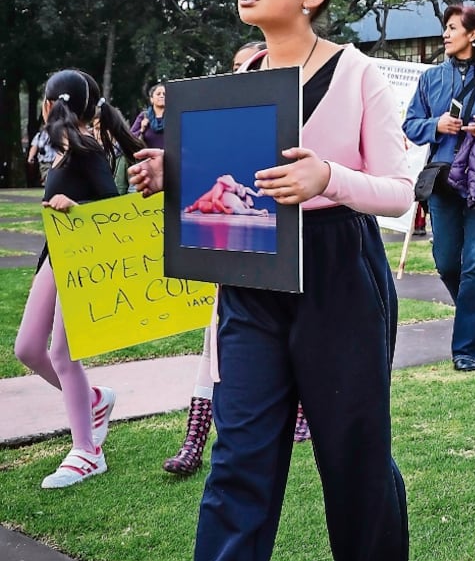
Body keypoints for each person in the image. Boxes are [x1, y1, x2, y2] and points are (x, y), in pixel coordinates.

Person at [130, 0, 411, 561]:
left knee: (354, 455)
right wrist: (171, 172)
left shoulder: (356, 71)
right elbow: (226, 178)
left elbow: (401, 189)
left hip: (340, 269)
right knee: (238, 457)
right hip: (251, 272)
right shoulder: (237, 81)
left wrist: (329, 176)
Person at [163, 40, 312, 478]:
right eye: (237, 68)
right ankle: (194, 440)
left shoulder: (287, 125)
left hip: (292, 256)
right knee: (216, 346)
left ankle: (301, 410)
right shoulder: (224, 128)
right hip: (236, 259)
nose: (244, 74)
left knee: (298, 341)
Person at [15, 69, 140, 488]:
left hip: (83, 258)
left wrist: (77, 204)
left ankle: (87, 451)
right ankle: (94, 401)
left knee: (63, 355)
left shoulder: (85, 150)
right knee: (29, 349)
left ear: (48, 106)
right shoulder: (66, 150)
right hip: (55, 256)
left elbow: (114, 208)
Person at [403, 3, 475, 372]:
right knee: (445, 262)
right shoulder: (430, 79)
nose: (445, 34)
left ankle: (466, 351)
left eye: (453, 27)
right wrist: (436, 125)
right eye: (445, 28)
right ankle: (471, 309)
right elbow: (410, 124)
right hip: (441, 180)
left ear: (473, 34)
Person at [130, 82, 166, 150]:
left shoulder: (174, 116)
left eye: (164, 94)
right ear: (151, 99)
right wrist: (142, 129)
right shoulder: (144, 116)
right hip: (149, 158)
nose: (162, 96)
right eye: (158, 94)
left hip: (172, 159)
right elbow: (130, 138)